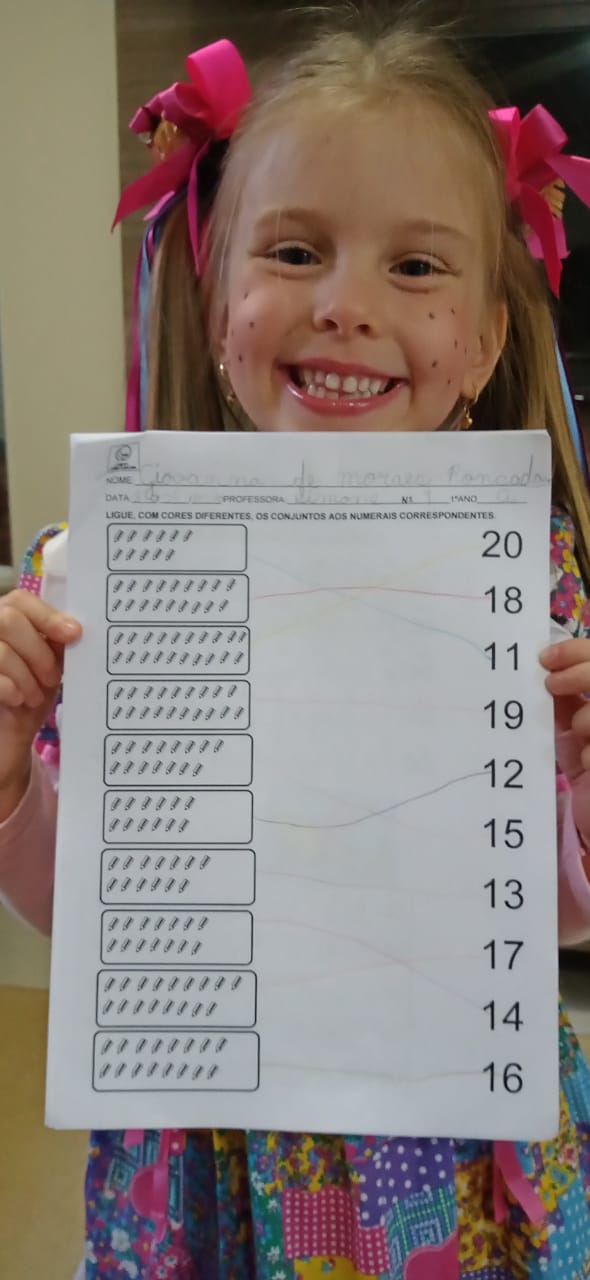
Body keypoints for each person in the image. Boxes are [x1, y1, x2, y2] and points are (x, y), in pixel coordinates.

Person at [2, 16, 590, 1279]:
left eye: (415, 266)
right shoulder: (99, 579)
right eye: (292, 249)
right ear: (218, 303)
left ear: (486, 340)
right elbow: (94, 915)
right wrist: (10, 780)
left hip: (444, 1144)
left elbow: (543, 908)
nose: (344, 305)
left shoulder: (530, 584)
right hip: (204, 1136)